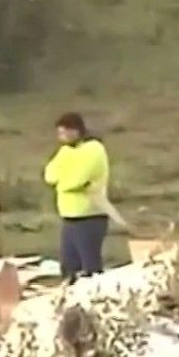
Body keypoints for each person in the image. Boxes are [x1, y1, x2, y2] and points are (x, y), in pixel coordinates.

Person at [44, 113, 111, 282]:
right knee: (69, 266)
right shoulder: (65, 151)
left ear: (76, 131)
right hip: (69, 217)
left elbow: (77, 180)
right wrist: (62, 180)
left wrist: (62, 182)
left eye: (64, 133)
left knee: (90, 268)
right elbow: (50, 174)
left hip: (90, 215)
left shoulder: (94, 149)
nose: (61, 137)